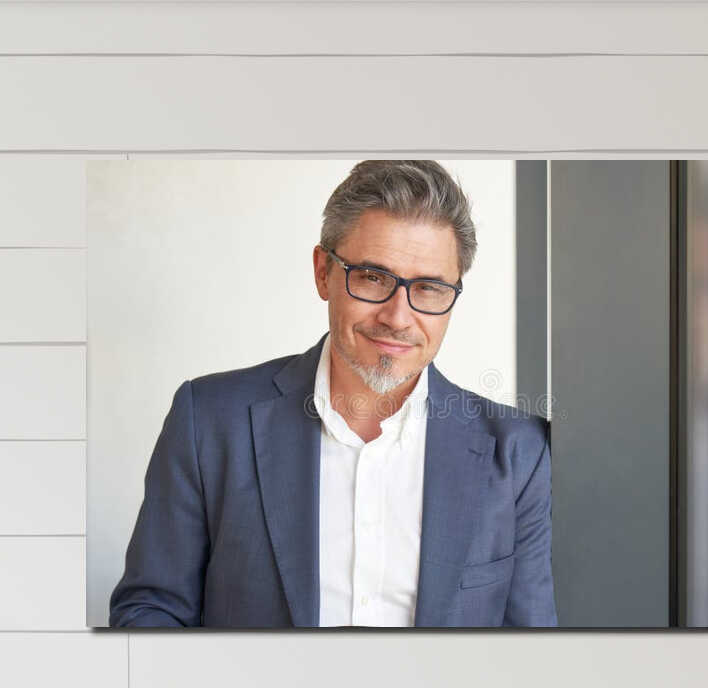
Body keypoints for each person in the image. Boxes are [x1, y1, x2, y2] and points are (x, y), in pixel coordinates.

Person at [109, 160, 556, 628]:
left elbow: (530, 653)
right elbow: (149, 617)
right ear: (324, 272)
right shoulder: (209, 422)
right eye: (373, 278)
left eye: (428, 288)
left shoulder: (520, 453)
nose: (398, 318)